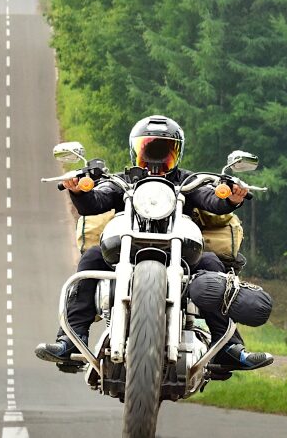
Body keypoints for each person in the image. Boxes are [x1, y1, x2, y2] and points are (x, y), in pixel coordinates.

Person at [35, 115, 274, 372]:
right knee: (92, 258)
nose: (156, 160)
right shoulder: (122, 181)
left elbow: (211, 200)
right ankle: (71, 339)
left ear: (176, 153)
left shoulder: (189, 182)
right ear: (136, 151)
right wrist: (79, 191)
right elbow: (95, 202)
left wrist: (230, 198)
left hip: (181, 254)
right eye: (149, 150)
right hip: (127, 250)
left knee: (212, 263)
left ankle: (228, 347)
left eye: (165, 151)